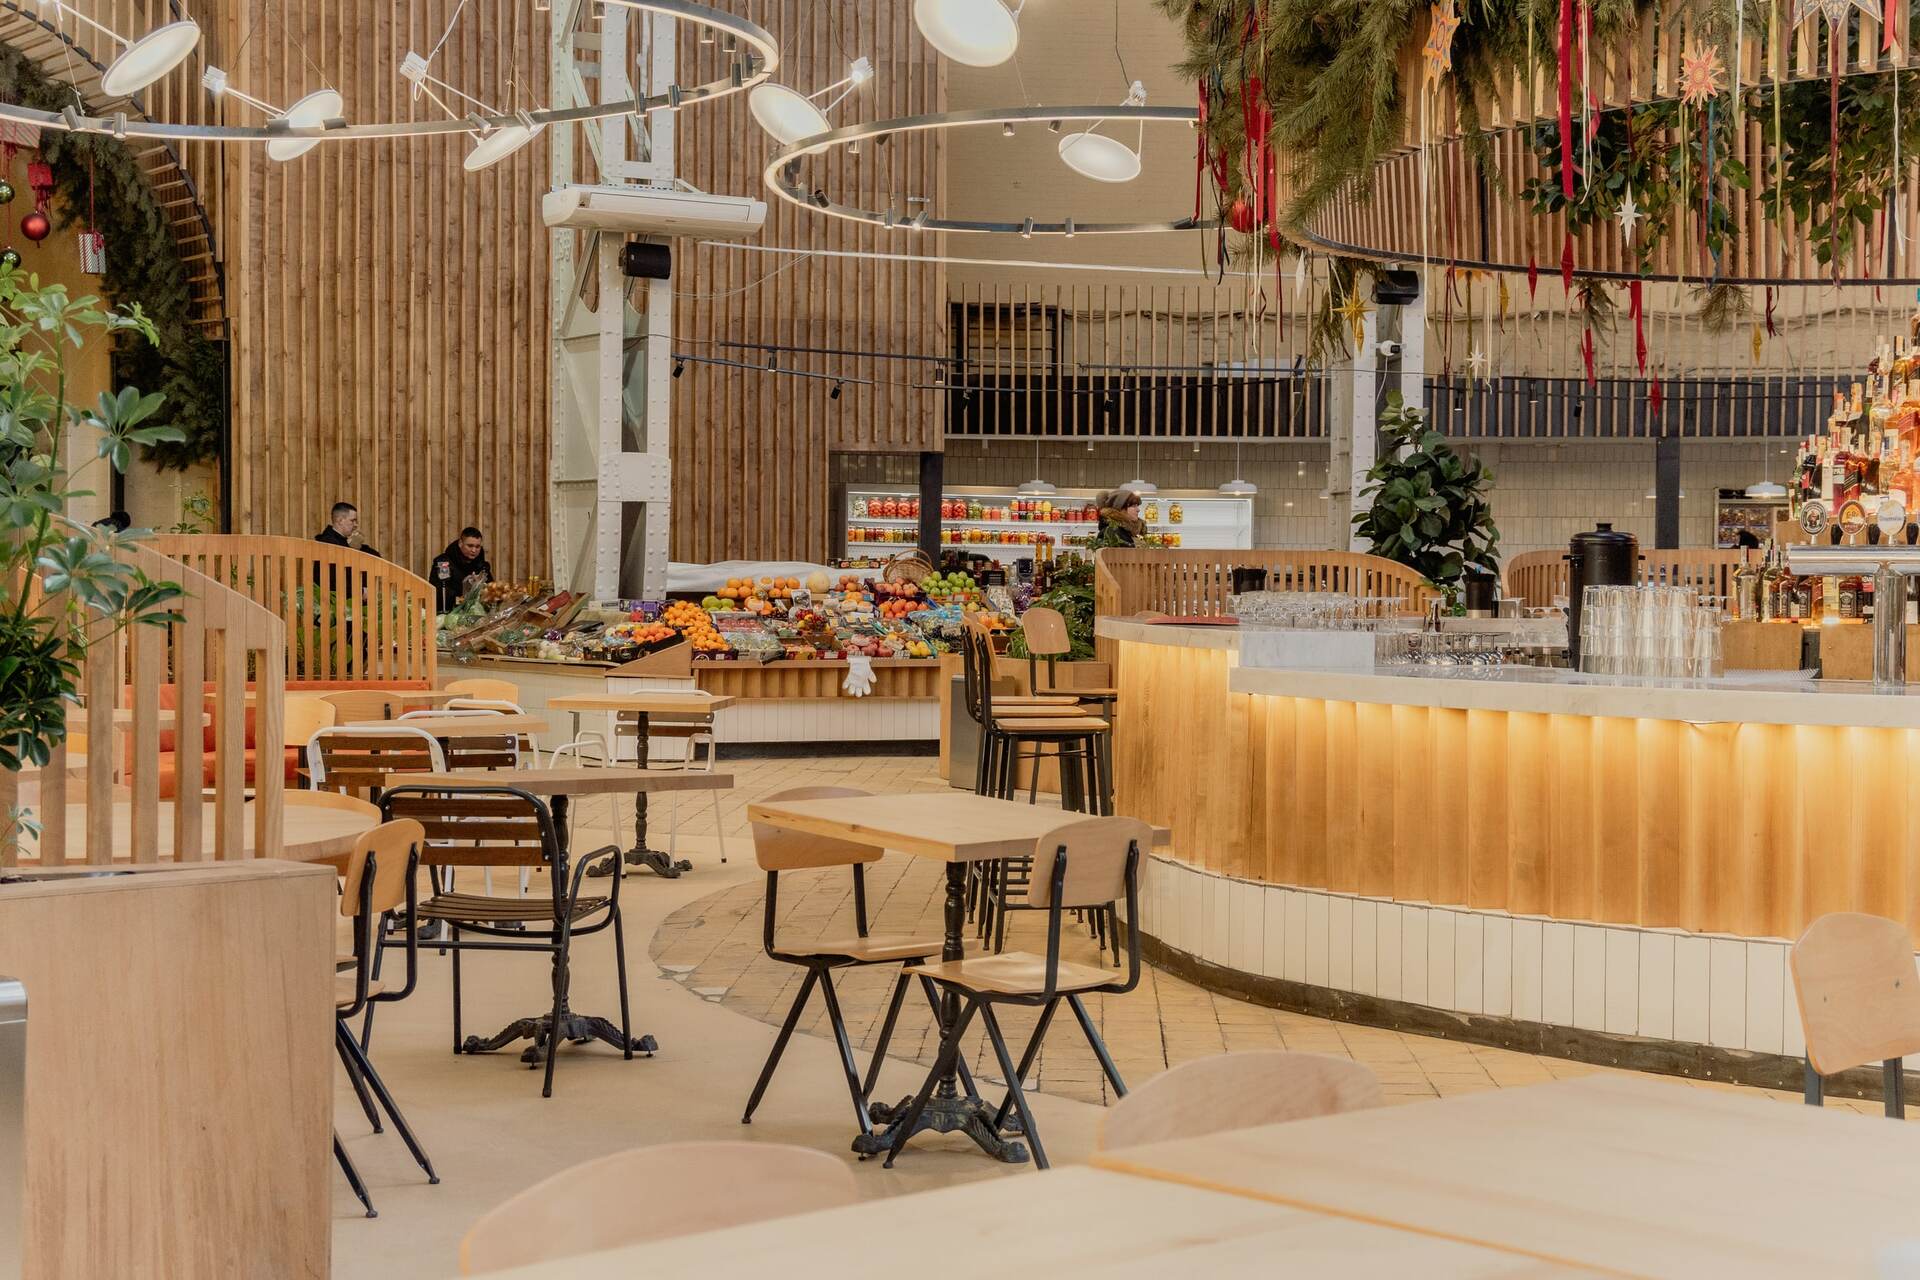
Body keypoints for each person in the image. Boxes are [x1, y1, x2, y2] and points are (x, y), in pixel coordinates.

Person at [430, 526, 493, 611]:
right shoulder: (443, 563)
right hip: (448, 612)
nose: (474, 550)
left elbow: (492, 591)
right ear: (460, 544)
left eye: (477, 546)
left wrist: (480, 586)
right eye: (470, 546)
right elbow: (439, 592)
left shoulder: (483, 566)